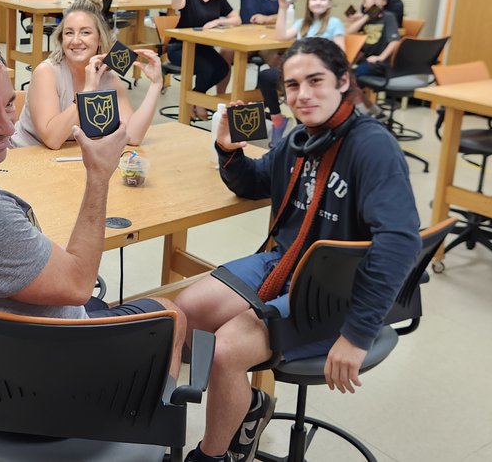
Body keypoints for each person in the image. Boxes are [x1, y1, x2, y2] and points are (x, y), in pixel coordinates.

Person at [172, 37, 421, 462]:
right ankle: (249, 406)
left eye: (315, 81)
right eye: (291, 85)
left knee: (227, 350)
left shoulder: (371, 146)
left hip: (337, 289)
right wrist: (228, 152)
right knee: (183, 309)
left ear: (344, 81)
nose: (302, 95)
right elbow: (257, 182)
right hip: (285, 262)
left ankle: (212, 457)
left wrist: (357, 334)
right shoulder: (300, 139)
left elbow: (401, 242)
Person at [0, 30, 185, 379]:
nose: (8, 126)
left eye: (10, 104)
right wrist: (100, 175)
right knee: (171, 315)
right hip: (46, 369)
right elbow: (77, 286)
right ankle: (135, 421)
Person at [11, 0, 162, 149]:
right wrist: (89, 91)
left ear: (99, 39)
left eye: (85, 32)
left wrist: (156, 84)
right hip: (27, 156)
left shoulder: (109, 78)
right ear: (62, 39)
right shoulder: (46, 72)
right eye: (69, 33)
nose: (76, 41)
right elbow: (52, 139)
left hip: (69, 159)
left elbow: (132, 136)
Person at [258, 0, 346, 144]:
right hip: (297, 73)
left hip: (318, 75)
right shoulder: (302, 24)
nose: (318, 2)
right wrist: (283, 8)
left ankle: (307, 134)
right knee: (265, 76)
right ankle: (278, 122)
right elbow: (280, 36)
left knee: (303, 97)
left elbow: (341, 53)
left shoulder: (334, 23)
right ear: (308, 3)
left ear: (329, 4)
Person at [169, 0, 239, 121]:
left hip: (202, 48)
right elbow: (175, 5)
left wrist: (218, 22)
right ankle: (197, 103)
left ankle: (195, 98)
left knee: (223, 68)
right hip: (180, 47)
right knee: (207, 69)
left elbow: (236, 18)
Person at [347, 0, 400, 79]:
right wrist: (367, 16)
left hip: (380, 63)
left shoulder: (388, 17)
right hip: (364, 60)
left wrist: (380, 58)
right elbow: (349, 32)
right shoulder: (364, 19)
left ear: (384, 2)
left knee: (354, 75)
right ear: (364, 4)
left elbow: (394, 41)